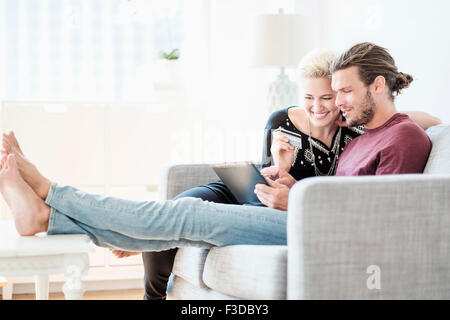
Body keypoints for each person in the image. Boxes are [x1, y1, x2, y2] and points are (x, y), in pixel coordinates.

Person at [0, 42, 436, 298]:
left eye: (344, 92)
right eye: (331, 92)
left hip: (317, 231)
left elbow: (377, 228)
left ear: (377, 86)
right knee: (182, 222)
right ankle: (49, 214)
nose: (336, 104)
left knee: (186, 217)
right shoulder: (363, 134)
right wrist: (289, 186)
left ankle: (51, 194)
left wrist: (296, 200)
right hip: (300, 218)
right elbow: (347, 192)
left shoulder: (402, 139)